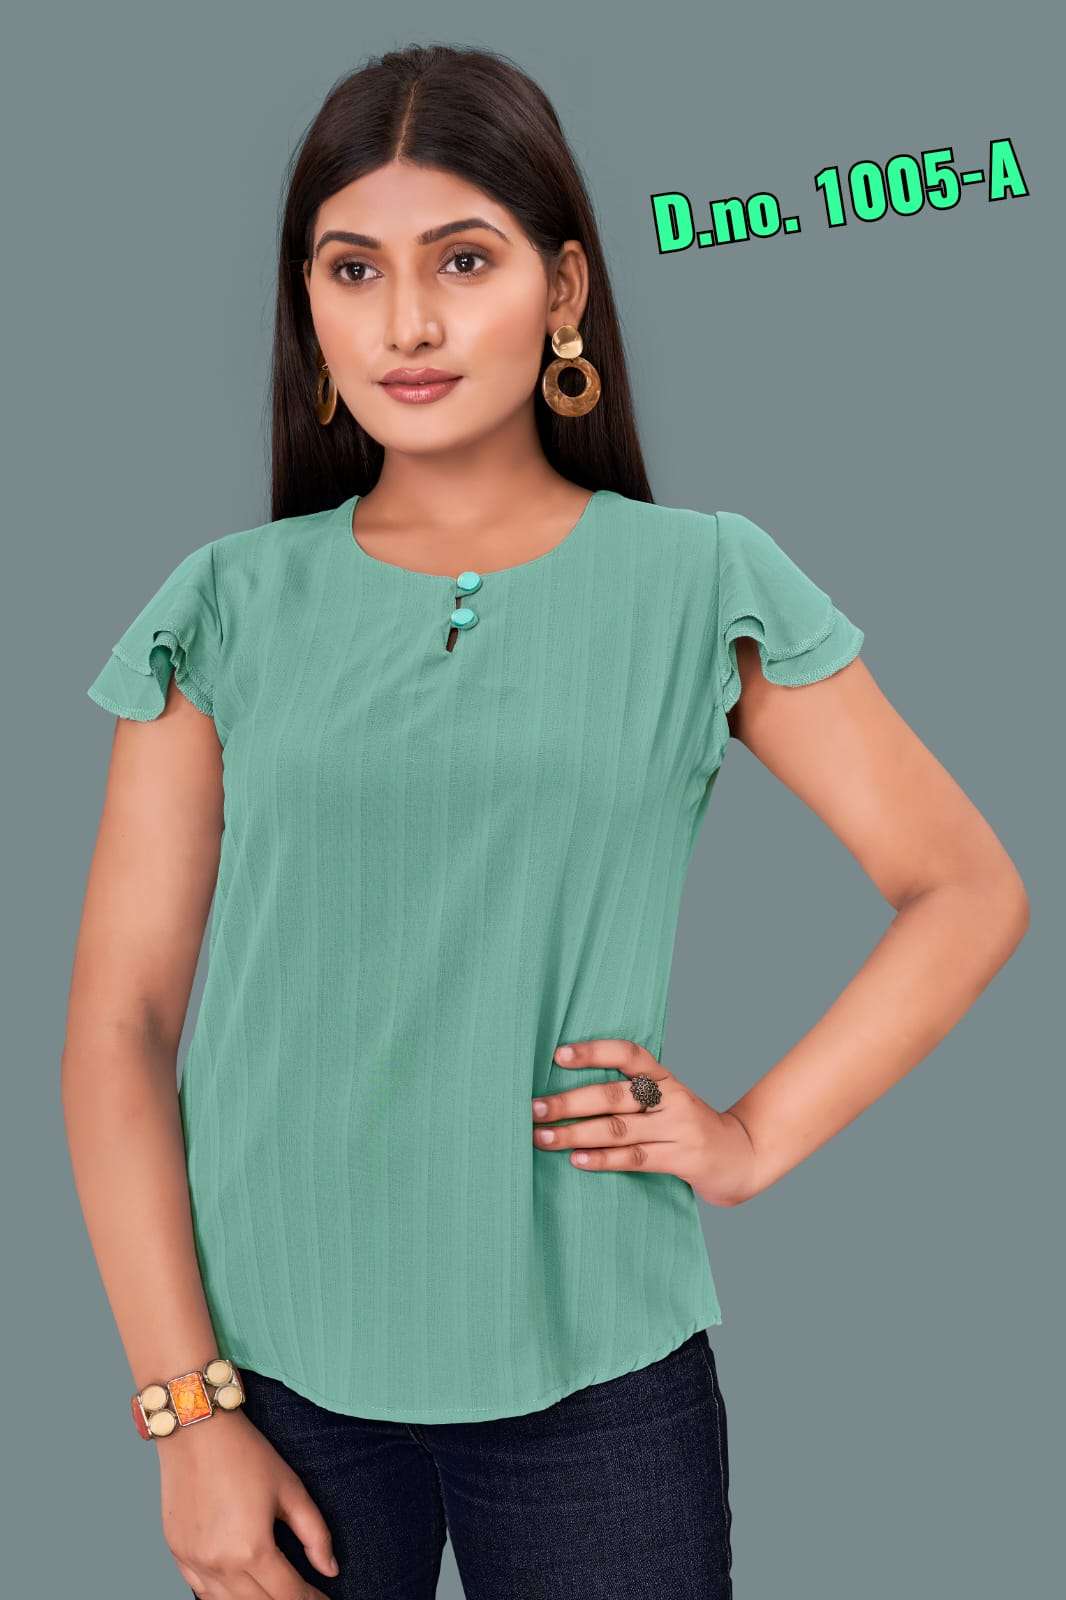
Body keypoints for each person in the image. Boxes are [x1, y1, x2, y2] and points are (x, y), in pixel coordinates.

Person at [61, 42, 1029, 1600]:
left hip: (597, 1370)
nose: (407, 322)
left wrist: (753, 1139)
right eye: (353, 269)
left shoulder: (698, 583)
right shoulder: (225, 606)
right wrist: (185, 1410)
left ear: (563, 288)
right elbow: (122, 1022)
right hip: (269, 1374)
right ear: (308, 306)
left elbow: (964, 887)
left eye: (463, 260)